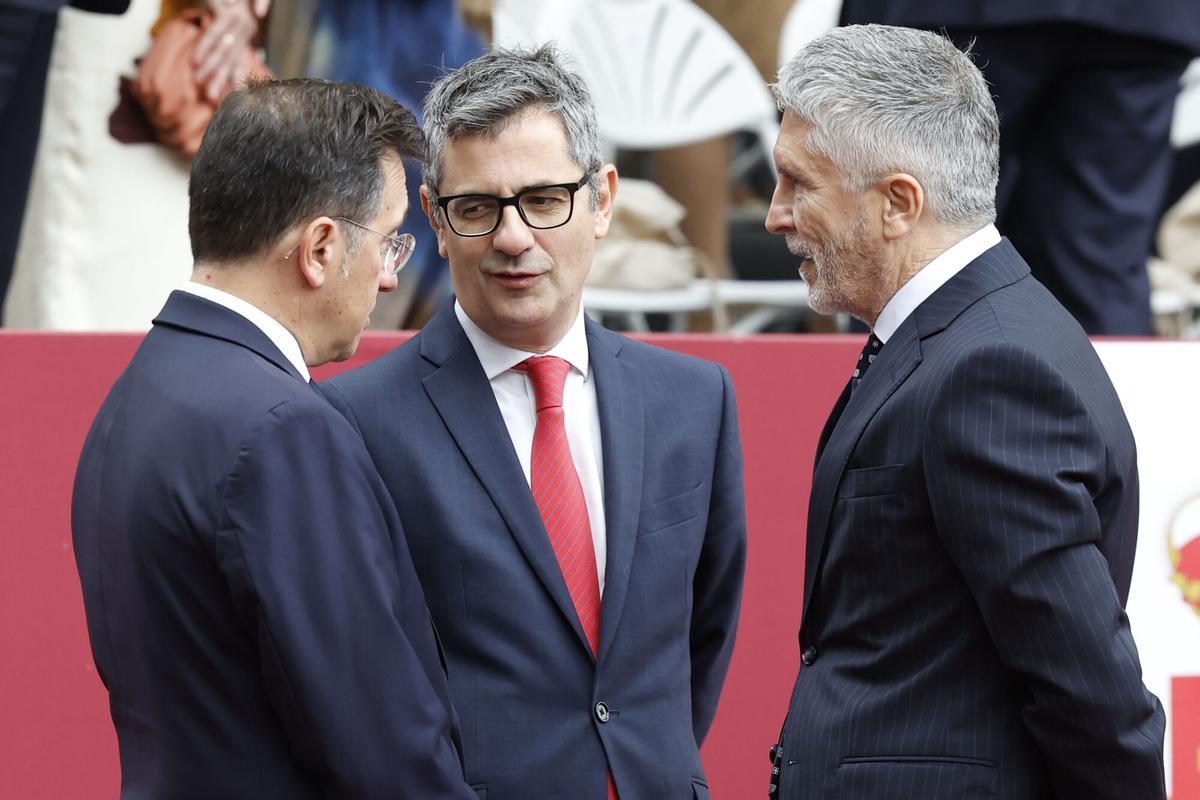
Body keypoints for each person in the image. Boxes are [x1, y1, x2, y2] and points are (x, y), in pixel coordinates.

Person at [322, 45, 747, 799]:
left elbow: (700, 640)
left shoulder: (694, 402)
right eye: (478, 208)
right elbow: (359, 681)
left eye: (545, 200)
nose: (514, 238)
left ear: (603, 200)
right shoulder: (356, 423)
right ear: (435, 219)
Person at [763, 25, 1165, 800]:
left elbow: (1093, 692)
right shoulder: (962, 335)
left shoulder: (992, 369)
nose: (775, 215)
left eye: (798, 184)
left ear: (898, 204)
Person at [71, 78, 474, 799]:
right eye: (389, 244)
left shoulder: (137, 394)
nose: (390, 280)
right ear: (320, 247)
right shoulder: (284, 431)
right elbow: (382, 747)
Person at [838, 1, 1200, 336]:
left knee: (918, 236)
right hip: (1137, 15)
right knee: (1098, 264)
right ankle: (1104, 401)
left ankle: (899, 400)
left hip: (960, 10)